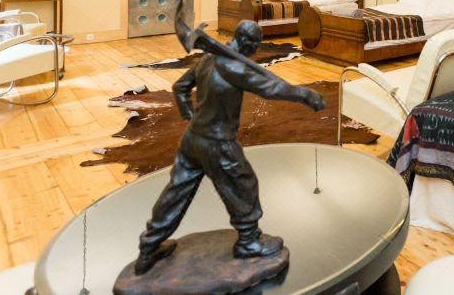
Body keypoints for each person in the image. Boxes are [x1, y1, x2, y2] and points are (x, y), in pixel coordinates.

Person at [134, 20, 325, 275]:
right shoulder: (234, 67)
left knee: (175, 193)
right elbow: (271, 88)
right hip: (218, 144)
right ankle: (249, 242)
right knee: (243, 186)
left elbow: (179, 87)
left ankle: (149, 246)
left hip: (192, 139)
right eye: (256, 45)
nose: (256, 50)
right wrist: (305, 95)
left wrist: (190, 115)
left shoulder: (207, 58)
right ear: (247, 42)